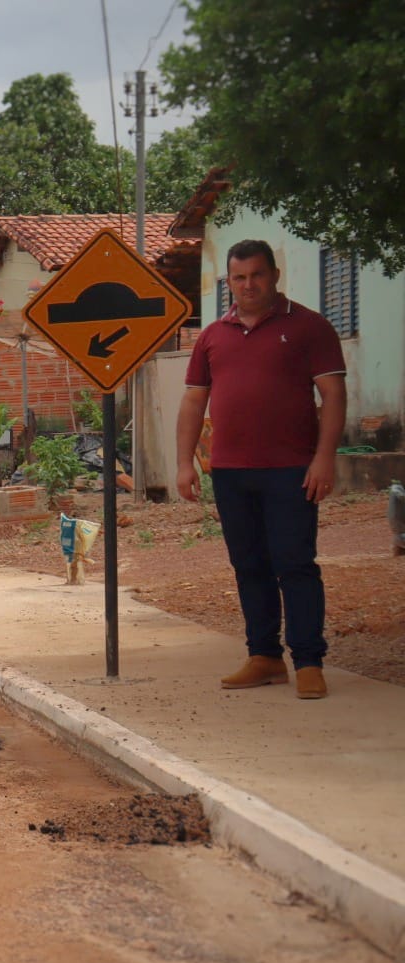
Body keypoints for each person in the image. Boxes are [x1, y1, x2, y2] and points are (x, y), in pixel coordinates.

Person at [175, 239, 347, 699]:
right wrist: (184, 464)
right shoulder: (213, 335)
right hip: (230, 471)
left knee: (295, 564)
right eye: (239, 277)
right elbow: (194, 401)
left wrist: (324, 457)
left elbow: (333, 396)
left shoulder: (310, 327)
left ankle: (309, 661)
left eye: (257, 275)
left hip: (292, 469)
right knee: (249, 565)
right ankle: (265, 657)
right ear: (229, 281)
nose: (248, 285)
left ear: (274, 274)